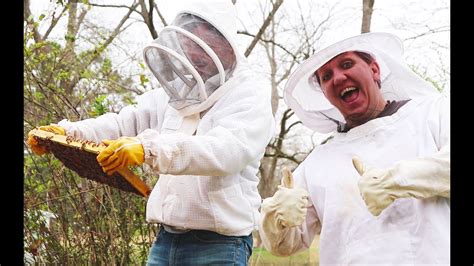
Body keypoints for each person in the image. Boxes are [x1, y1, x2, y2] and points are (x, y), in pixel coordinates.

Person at [27, 0, 275, 264]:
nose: (196, 55)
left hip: (220, 244)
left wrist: (149, 148)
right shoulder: (178, 94)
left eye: (206, 47)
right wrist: (65, 132)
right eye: (190, 45)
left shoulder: (249, 93)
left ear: (228, 47)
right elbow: (124, 122)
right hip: (166, 239)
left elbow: (226, 151)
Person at [258, 32, 450, 264]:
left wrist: (397, 180)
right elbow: (284, 246)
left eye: (347, 64)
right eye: (326, 76)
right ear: (326, 94)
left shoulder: (431, 112)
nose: (338, 78)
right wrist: (276, 219)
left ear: (375, 70)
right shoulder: (318, 162)